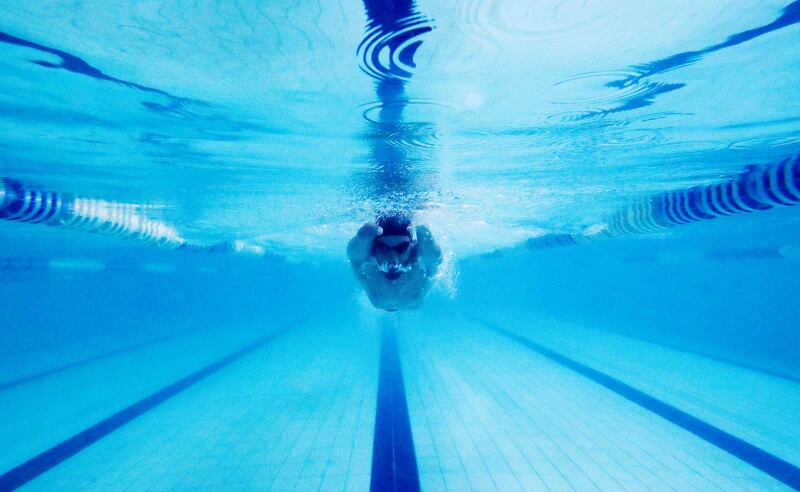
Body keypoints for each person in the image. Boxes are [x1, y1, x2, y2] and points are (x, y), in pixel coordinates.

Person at [347, 213, 441, 311]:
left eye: (401, 248)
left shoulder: (422, 258)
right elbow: (355, 258)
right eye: (384, 248)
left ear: (412, 247)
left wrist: (426, 237)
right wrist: (361, 239)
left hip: (411, 306)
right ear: (374, 249)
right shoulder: (369, 260)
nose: (392, 258)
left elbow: (434, 259)